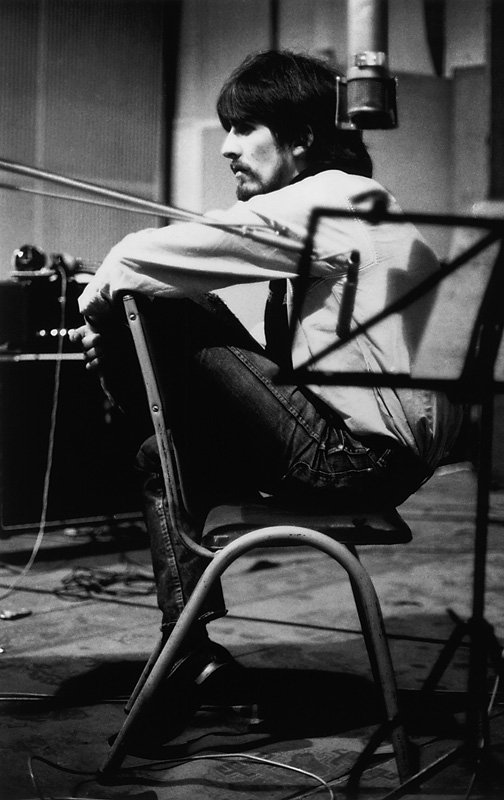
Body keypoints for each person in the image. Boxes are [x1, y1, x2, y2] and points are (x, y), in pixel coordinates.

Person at [72, 50, 462, 743]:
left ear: (302, 137)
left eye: (244, 127)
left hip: (358, 458)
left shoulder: (338, 196)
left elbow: (134, 258)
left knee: (163, 302)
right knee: (159, 453)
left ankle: (185, 651)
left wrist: (99, 315)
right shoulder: (347, 210)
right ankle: (188, 648)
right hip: (371, 454)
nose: (226, 147)